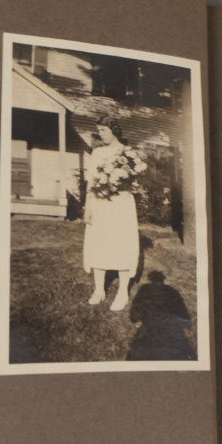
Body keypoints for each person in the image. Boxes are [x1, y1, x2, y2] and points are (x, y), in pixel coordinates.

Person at [83, 117, 141, 311]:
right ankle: (99, 289)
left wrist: (122, 181)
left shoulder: (127, 152)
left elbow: (135, 182)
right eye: (99, 130)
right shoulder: (97, 152)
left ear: (114, 130)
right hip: (100, 204)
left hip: (121, 205)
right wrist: (87, 207)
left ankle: (123, 292)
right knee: (99, 243)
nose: (101, 134)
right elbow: (91, 182)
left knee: (121, 244)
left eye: (104, 130)